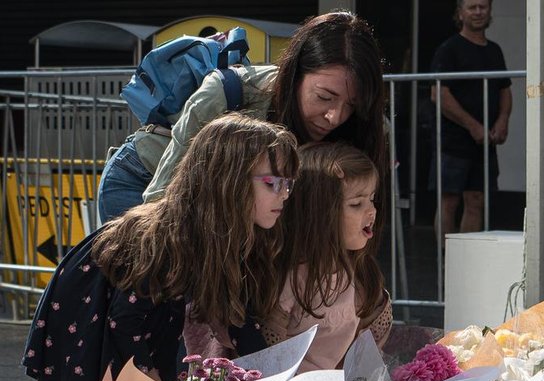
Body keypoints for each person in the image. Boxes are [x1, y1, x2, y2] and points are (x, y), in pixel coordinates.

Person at [23, 114, 298, 381]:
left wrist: (274, 379)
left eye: (289, 184)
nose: (285, 194)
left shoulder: (231, 234)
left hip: (149, 323)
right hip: (96, 320)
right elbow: (124, 320)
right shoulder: (173, 234)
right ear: (228, 180)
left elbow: (239, 318)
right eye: (273, 183)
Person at [97, 10, 387, 230]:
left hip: (221, 214)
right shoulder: (228, 92)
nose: (335, 116)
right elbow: (159, 206)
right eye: (324, 97)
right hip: (144, 184)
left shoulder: (364, 129)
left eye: (352, 105)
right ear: (294, 74)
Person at [185, 142, 392, 372]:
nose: (372, 211)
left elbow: (367, 349)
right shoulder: (290, 279)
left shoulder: (359, 272)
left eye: (372, 199)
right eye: (356, 203)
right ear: (318, 213)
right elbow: (270, 360)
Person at [429, 0, 512, 239]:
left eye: (483, 7)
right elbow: (439, 94)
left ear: (489, 11)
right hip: (452, 141)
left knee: (476, 200)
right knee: (449, 201)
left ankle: (466, 259)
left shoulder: (494, 50)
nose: (478, 12)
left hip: (485, 143)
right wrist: (473, 126)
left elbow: (505, 89)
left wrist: (502, 120)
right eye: (472, 7)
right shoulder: (449, 49)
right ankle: (446, 261)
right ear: (460, 13)